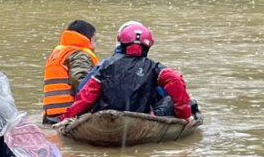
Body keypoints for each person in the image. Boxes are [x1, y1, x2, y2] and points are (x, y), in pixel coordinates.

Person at [62, 21, 196, 122]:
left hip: (105, 115)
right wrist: (185, 114)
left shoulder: (105, 65)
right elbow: (176, 80)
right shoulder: (154, 67)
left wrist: (66, 117)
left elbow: (86, 97)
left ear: (121, 43)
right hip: (142, 116)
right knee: (171, 99)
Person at [42, 20, 99, 124]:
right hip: (68, 115)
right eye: (95, 40)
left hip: (50, 116)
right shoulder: (79, 54)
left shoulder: (59, 53)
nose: (95, 46)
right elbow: (81, 82)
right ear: (87, 39)